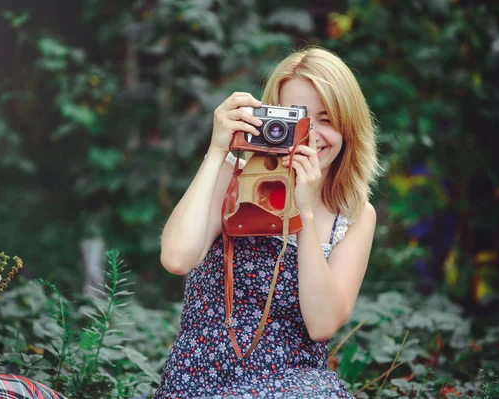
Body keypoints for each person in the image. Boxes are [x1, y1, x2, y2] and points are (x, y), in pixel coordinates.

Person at [155, 46, 381, 399]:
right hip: (202, 379)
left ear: (349, 127)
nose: (311, 134)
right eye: (298, 117)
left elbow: (321, 324)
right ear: (271, 116)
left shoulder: (353, 215)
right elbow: (176, 258)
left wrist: (303, 213)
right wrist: (217, 151)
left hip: (297, 386)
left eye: (326, 119)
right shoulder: (234, 176)